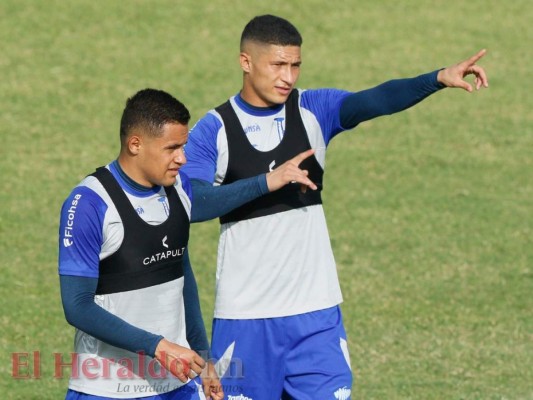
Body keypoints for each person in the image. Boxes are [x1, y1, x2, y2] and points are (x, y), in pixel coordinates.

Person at [181, 14, 489, 400]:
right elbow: (191, 204)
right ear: (246, 62)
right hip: (247, 318)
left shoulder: (313, 110)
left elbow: (373, 100)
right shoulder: (215, 130)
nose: (288, 77)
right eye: (278, 65)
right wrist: (268, 181)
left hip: (317, 315)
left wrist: (436, 78)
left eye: (295, 65)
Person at [58, 89, 225, 400]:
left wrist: (203, 360)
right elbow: (77, 306)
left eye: (184, 146)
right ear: (135, 144)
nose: (182, 158)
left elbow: (183, 280)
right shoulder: (89, 204)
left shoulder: (177, 191)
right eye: (172, 148)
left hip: (176, 385)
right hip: (107, 389)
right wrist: (158, 346)